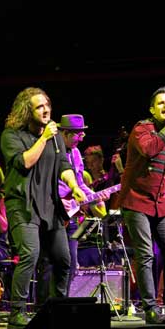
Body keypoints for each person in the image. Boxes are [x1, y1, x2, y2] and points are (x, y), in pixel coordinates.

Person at [0, 87, 87, 328]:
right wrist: (44, 138)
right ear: (27, 111)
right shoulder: (11, 135)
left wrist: (74, 186)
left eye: (47, 105)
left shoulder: (56, 137)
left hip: (50, 205)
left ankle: (57, 308)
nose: (46, 110)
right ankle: (17, 311)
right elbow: (25, 162)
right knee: (30, 254)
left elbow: (63, 165)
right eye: (39, 106)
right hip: (23, 204)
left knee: (63, 258)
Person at [116, 85, 165, 325]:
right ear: (152, 109)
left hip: (160, 203)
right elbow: (149, 149)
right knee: (146, 254)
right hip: (135, 200)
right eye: (161, 103)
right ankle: (150, 309)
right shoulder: (142, 129)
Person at [36, 114, 108, 302]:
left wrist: (95, 197)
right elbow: (42, 183)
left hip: (72, 215)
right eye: (78, 133)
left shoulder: (76, 153)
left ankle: (62, 304)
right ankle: (43, 307)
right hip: (52, 213)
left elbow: (79, 184)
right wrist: (58, 200)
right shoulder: (49, 151)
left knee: (71, 263)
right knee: (48, 263)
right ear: (65, 133)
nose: (82, 137)